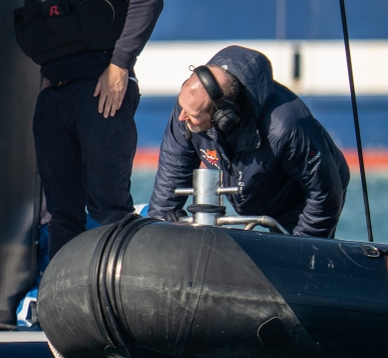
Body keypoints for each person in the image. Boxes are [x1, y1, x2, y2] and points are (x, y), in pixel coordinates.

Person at [13, 0, 162, 261]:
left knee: (107, 205)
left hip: (100, 89)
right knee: (60, 215)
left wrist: (119, 66)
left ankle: (121, 304)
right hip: (56, 96)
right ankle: (60, 310)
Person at [148, 46, 349, 237]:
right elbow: (174, 165)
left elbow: (325, 194)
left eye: (190, 114)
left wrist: (302, 249)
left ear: (223, 116)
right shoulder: (190, 105)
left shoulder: (288, 127)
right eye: (182, 108)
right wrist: (160, 223)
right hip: (252, 192)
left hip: (297, 200)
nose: (181, 118)